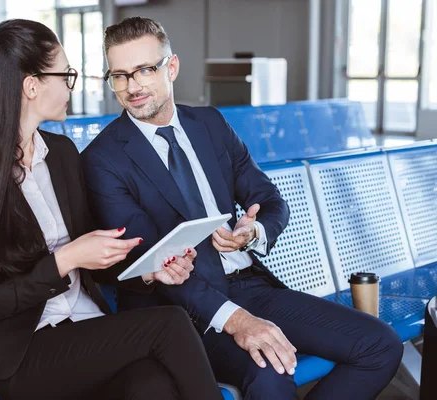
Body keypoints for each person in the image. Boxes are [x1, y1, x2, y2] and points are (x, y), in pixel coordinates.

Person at [81, 16, 404, 400]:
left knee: (380, 344)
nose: (132, 86)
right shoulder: (103, 158)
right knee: (270, 372)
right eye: (119, 75)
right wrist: (236, 321)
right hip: (179, 311)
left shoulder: (210, 124)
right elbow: (154, 261)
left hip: (250, 285)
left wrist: (253, 231)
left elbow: (269, 200)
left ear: (172, 67)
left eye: (145, 70)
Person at [0, 19, 224, 400]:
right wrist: (64, 260)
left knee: (153, 385)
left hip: (88, 330)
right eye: (65, 74)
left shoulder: (63, 156)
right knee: (170, 325)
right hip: (25, 352)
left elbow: (97, 263)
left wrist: (150, 272)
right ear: (32, 85)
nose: (72, 85)